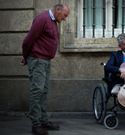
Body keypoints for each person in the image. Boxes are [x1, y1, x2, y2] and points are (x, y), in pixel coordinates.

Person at [21, 4, 70, 135]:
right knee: (37, 91)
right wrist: (26, 57)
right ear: (58, 10)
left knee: (43, 91)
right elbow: (28, 40)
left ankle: (43, 121)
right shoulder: (42, 19)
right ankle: (35, 124)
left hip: (45, 61)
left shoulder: (53, 21)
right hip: (38, 60)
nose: (65, 19)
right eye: (65, 15)